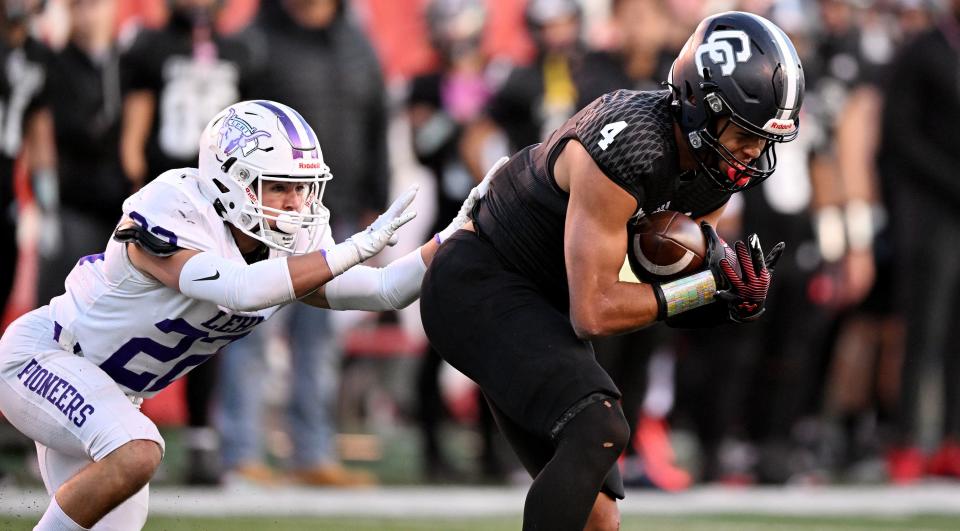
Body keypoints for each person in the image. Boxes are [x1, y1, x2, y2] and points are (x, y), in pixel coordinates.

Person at [0, 99, 486, 530]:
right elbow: (237, 288)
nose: (296, 204)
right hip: (45, 359)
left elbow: (384, 289)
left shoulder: (288, 242)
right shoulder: (177, 204)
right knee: (137, 451)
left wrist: (456, 236)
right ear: (228, 178)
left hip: (114, 395)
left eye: (303, 187)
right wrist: (353, 249)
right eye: (278, 187)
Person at [420, 11, 803, 530]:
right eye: (742, 133)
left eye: (762, 139)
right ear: (697, 102)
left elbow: (658, 295)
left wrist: (724, 301)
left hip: (537, 304)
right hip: (484, 282)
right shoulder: (629, 145)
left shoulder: (714, 167)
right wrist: (705, 287)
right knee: (599, 427)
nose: (752, 152)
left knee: (598, 518)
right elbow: (595, 312)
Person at [216, 0, 392, 486]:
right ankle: (240, 451)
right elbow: (225, 133)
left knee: (320, 342)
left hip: (333, 214)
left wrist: (375, 202)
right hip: (263, 218)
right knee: (249, 331)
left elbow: (376, 124)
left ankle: (312, 452)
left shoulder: (356, 43)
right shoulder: (253, 41)